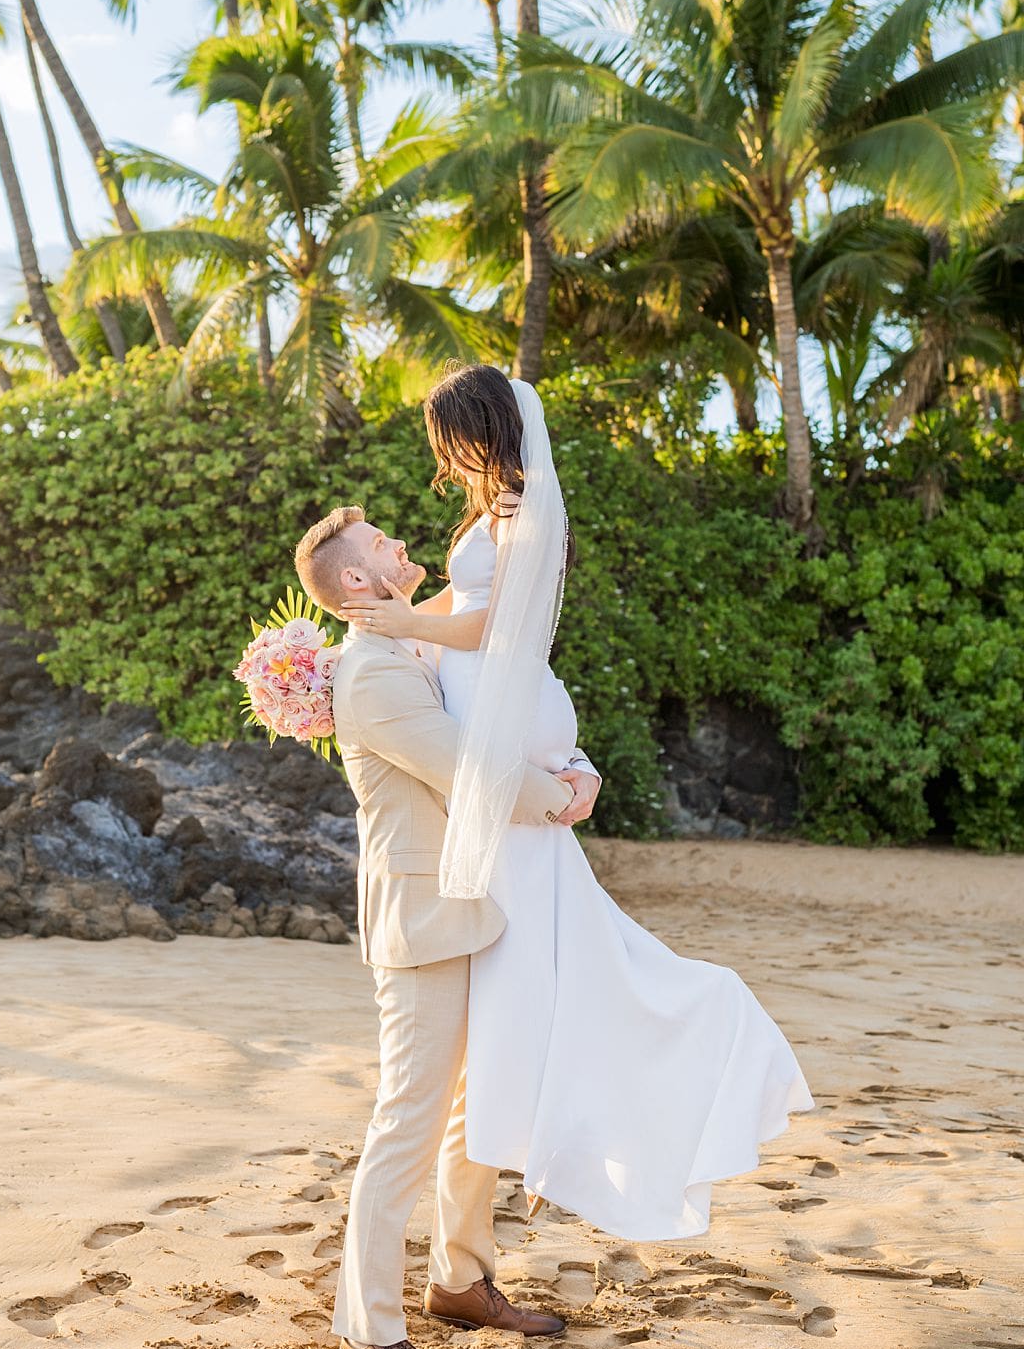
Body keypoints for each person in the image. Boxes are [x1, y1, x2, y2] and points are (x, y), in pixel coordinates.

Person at [337, 363, 815, 1242]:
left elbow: (497, 624)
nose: (444, 455)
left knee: (531, 944)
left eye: (452, 436)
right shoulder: (492, 511)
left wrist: (405, 628)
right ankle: (475, 1227)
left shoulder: (524, 509)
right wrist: (381, 629)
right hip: (488, 701)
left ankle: (637, 1056)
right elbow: (460, 601)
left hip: (498, 697)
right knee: (526, 953)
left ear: (484, 428)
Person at [294, 506, 591, 1349]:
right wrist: (562, 801)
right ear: (357, 583)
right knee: (407, 1122)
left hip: (473, 911)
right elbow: (467, 769)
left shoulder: (414, 649)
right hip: (420, 923)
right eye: (385, 546)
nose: (403, 548)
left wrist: (574, 767)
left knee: (474, 1104)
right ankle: (368, 1331)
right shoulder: (375, 674)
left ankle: (461, 1279)